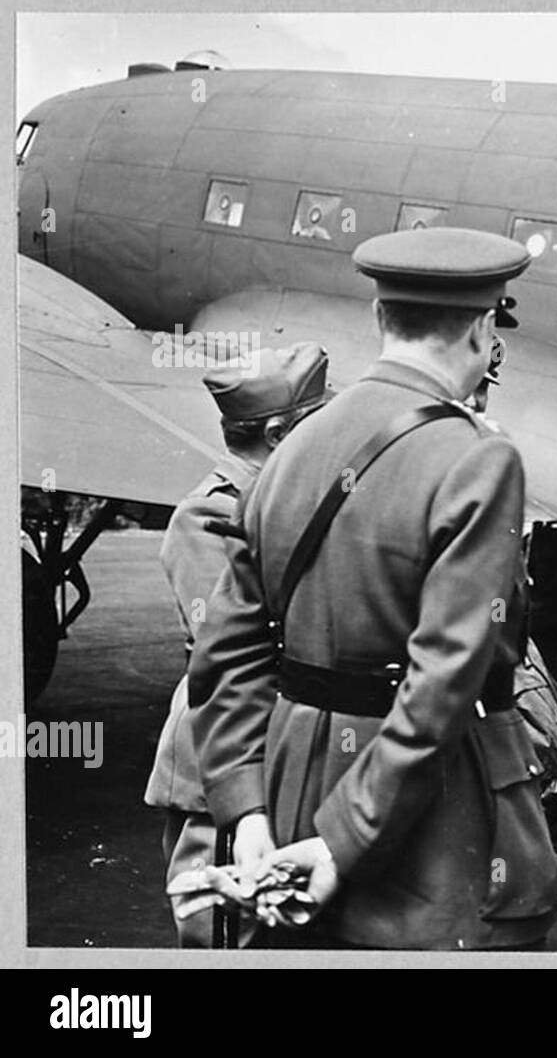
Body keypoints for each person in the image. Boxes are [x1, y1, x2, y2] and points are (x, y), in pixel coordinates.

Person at [189, 227, 557, 950]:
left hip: (287, 790)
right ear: (486, 329)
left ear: (379, 319)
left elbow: (227, 653)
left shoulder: (294, 443)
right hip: (427, 815)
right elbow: (444, 685)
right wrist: (340, 843)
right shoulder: (477, 459)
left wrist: (247, 814)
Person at [143, 342, 332, 946]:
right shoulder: (209, 515)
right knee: (223, 932)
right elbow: (231, 652)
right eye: (315, 420)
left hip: (277, 745)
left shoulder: (289, 503)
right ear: (279, 433)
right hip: (220, 756)